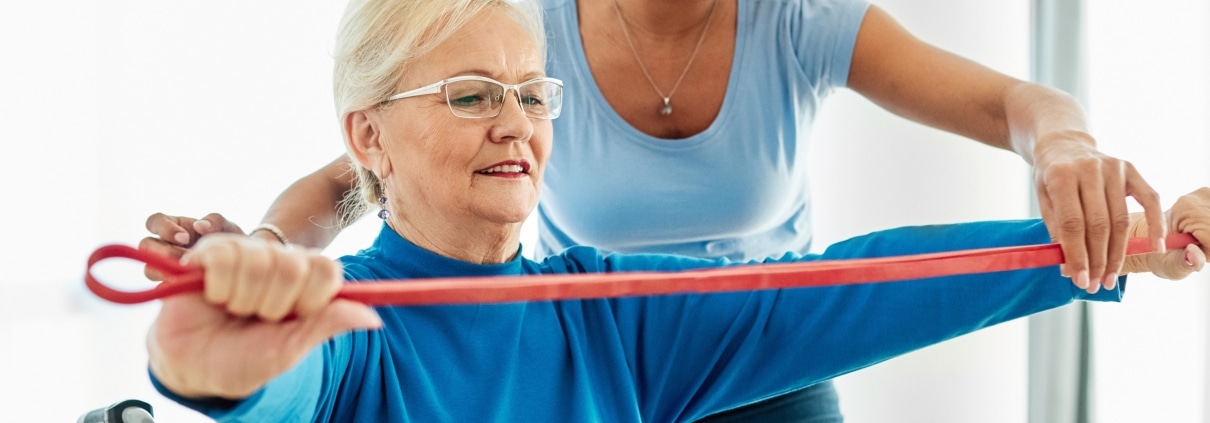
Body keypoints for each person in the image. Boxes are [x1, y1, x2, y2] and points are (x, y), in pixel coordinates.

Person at [140, 1, 1210, 422]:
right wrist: (215, 355)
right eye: (470, 97)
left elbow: (857, 286)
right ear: (367, 134)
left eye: (531, 94)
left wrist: (1115, 240)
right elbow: (269, 384)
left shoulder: (621, 325)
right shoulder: (351, 336)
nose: (516, 124)